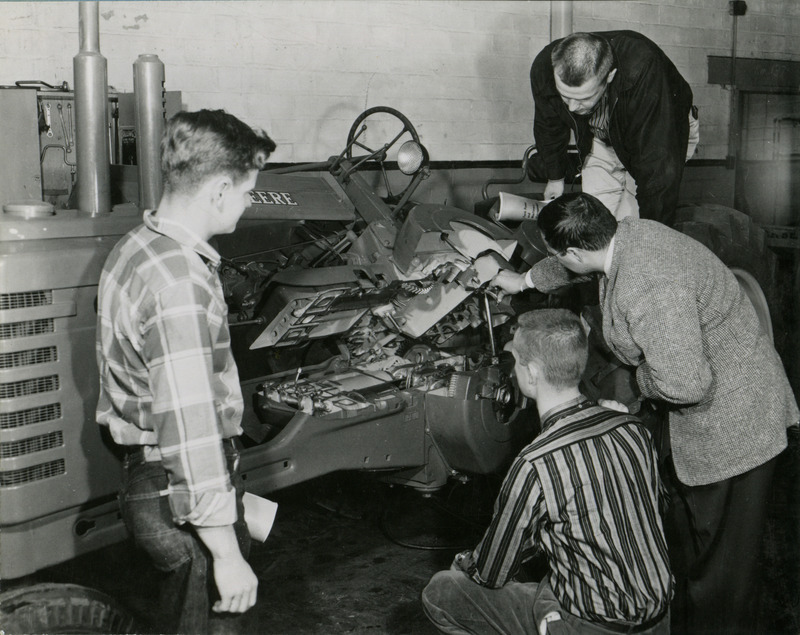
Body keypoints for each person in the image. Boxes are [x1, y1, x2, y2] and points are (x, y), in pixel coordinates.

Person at [491, 192, 800, 634]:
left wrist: (634, 388)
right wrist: (519, 281)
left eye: (562, 253)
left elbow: (685, 384)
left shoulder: (651, 283)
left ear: (578, 249)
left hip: (738, 422)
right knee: (686, 550)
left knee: (722, 578)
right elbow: (570, 263)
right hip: (700, 411)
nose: (563, 260)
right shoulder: (624, 235)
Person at [96, 109, 276, 633]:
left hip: (147, 473)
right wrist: (224, 551)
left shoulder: (138, 247)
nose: (247, 203)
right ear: (220, 189)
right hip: (182, 494)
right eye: (247, 192)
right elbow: (190, 426)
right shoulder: (180, 284)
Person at [421, 308, 673, 635]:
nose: (510, 373)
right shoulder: (632, 429)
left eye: (515, 361)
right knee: (547, 586)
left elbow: (491, 571)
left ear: (533, 373)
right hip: (659, 619)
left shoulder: (536, 462)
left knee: (443, 591)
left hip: (593, 627)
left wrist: (466, 561)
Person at [530, 31, 698, 225]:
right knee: (598, 225)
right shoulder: (545, 66)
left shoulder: (644, 69)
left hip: (658, 131)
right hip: (602, 133)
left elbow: (658, 172)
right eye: (565, 97)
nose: (572, 108)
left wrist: (651, 238)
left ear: (610, 76)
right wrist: (555, 178)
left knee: (632, 227)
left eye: (583, 98)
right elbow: (548, 124)